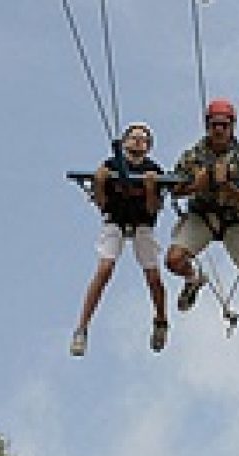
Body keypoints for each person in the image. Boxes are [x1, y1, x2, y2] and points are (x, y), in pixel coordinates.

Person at [166, 98, 239, 339]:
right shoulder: (193, 155)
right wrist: (196, 186)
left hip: (237, 218)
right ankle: (192, 279)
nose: (219, 130)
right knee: (174, 260)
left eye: (224, 125)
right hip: (203, 214)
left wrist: (227, 187)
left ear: (232, 127)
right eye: (214, 125)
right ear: (207, 126)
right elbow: (173, 189)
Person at [70, 122, 169, 356]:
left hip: (142, 223)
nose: (137, 141)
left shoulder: (153, 168)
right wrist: (100, 184)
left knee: (153, 277)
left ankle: (161, 320)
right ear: (124, 143)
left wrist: (150, 189)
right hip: (115, 219)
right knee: (104, 269)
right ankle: (82, 328)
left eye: (143, 139)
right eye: (133, 137)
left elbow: (153, 208)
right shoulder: (111, 164)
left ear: (148, 146)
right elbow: (102, 203)